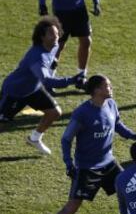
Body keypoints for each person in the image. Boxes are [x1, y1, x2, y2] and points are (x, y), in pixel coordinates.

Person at [33, 75, 136, 214]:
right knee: (73, 205)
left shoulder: (111, 104)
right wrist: (69, 163)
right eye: (107, 86)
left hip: (109, 163)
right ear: (96, 90)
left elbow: (117, 124)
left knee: (128, 189)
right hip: (87, 168)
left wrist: (134, 136)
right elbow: (66, 139)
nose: (111, 88)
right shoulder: (82, 113)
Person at [0, 16, 86, 155]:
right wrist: (71, 80)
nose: (56, 37)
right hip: (14, 92)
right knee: (2, 125)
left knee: (54, 112)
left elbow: (53, 58)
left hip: (33, 89)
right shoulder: (37, 57)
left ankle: (34, 139)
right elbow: (48, 81)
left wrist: (54, 63)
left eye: (57, 33)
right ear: (42, 37)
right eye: (51, 34)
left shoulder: (54, 45)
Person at [37, 0, 101, 80]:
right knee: (58, 45)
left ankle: (81, 76)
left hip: (79, 9)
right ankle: (49, 78)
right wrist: (42, 3)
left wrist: (96, 1)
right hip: (61, 11)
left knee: (86, 41)